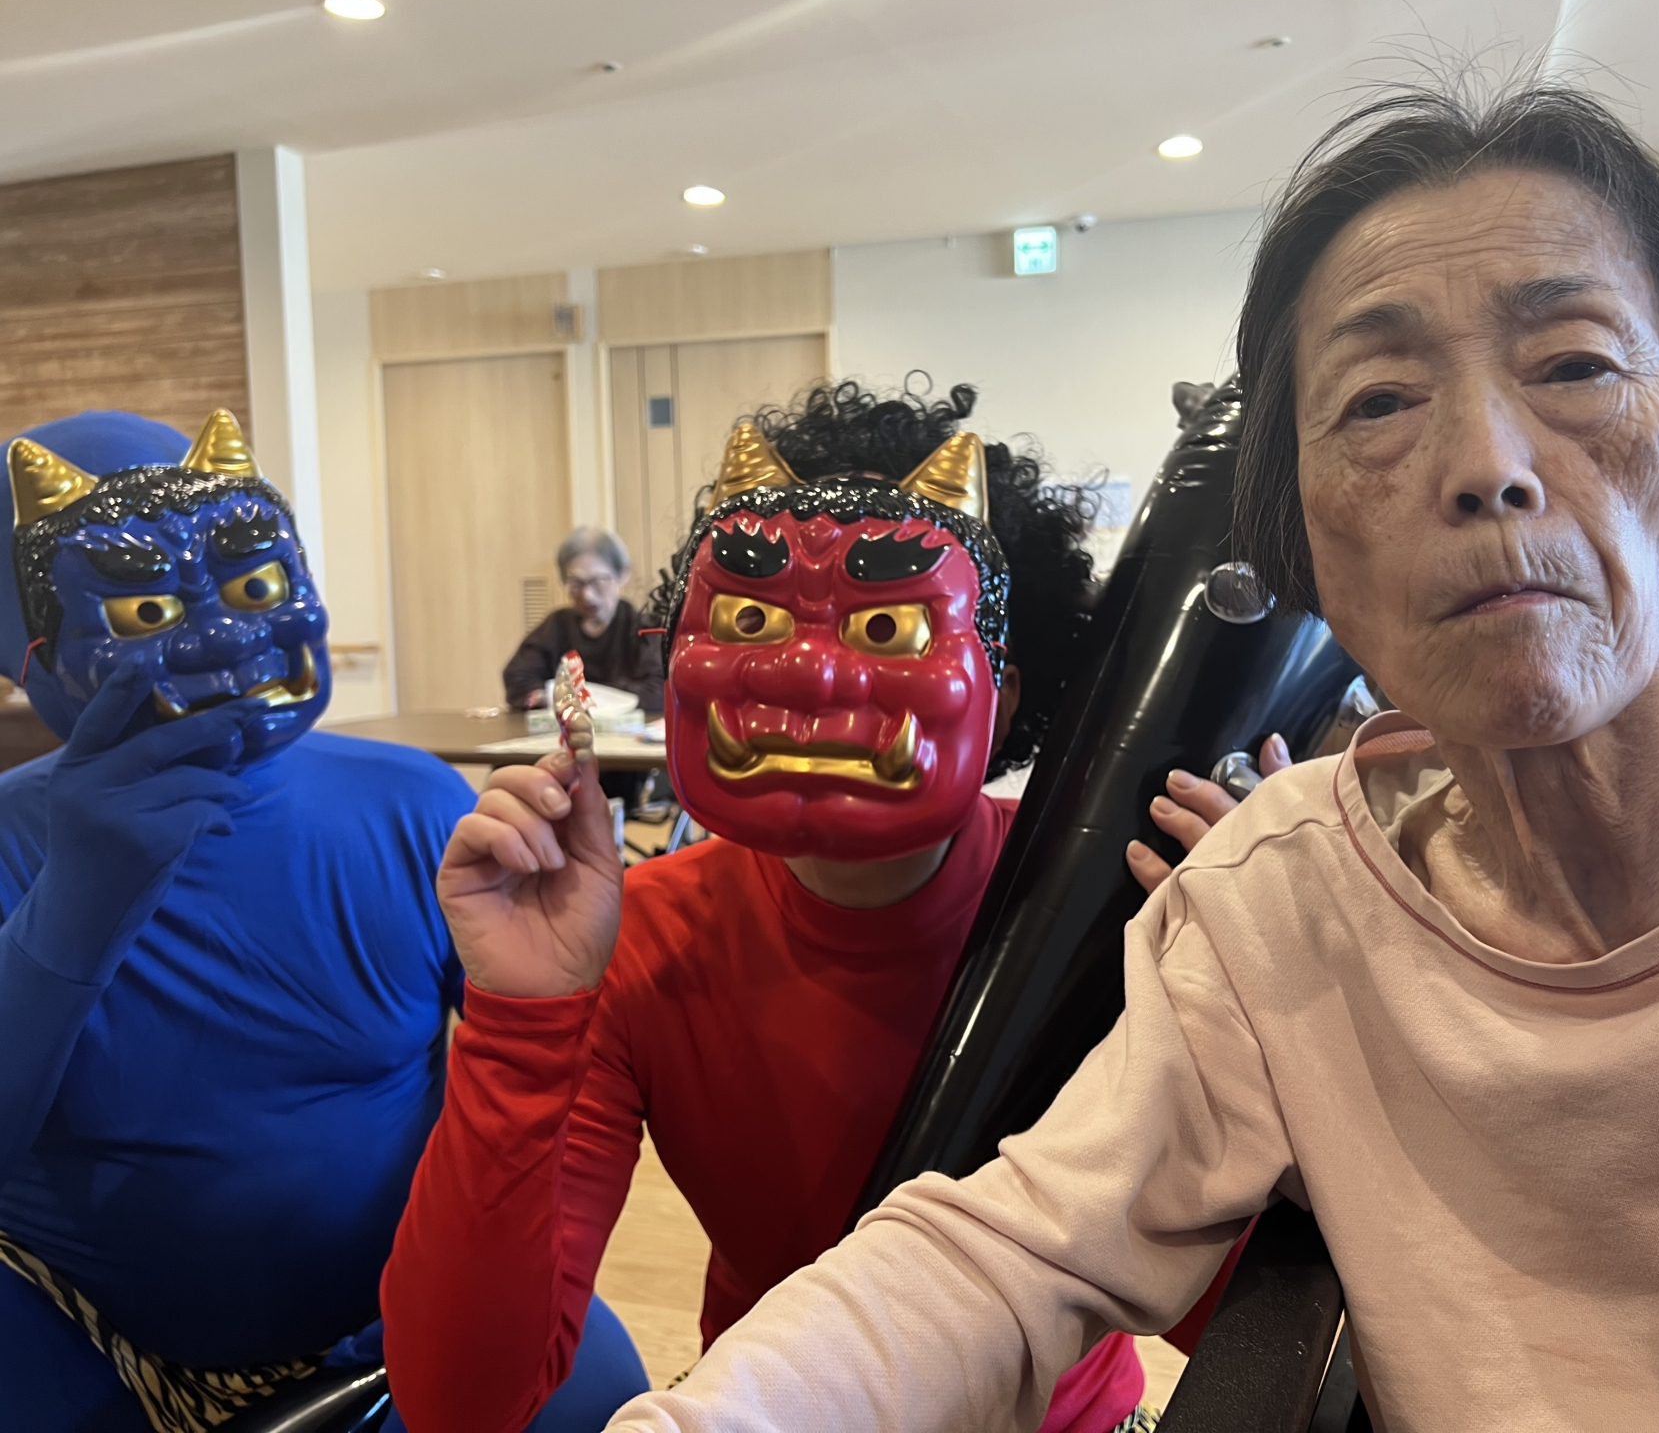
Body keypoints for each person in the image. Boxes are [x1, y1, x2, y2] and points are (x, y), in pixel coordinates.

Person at [421, 79, 1659, 1432]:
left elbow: (1225, 1310)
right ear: (1302, 531)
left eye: (1578, 363)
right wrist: (523, 1022)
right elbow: (1000, 1253)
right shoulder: (1279, 896)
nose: (1487, 466)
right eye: (1379, 402)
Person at [385, 381, 1189, 1433]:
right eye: (753, 620)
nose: (808, 672)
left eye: (888, 626)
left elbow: (1217, 1310)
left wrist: (1260, 980)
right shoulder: (636, 941)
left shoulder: (1116, 902)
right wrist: (519, 1022)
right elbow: (460, 1403)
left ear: (1006, 697)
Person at [0, 410, 645, 1433]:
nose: (220, 637)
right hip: (91, 1344)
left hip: (404, 1324)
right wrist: (70, 915)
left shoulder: (411, 803)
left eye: (255, 585)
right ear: (27, 653)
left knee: (596, 1390)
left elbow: (555, 1098)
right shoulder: (10, 839)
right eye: (145, 607)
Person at [505, 528, 666, 713]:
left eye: (598, 581)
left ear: (623, 574)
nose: (587, 595)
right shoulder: (557, 625)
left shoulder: (645, 628)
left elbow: (658, 691)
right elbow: (517, 679)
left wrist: (578, 696)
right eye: (576, 583)